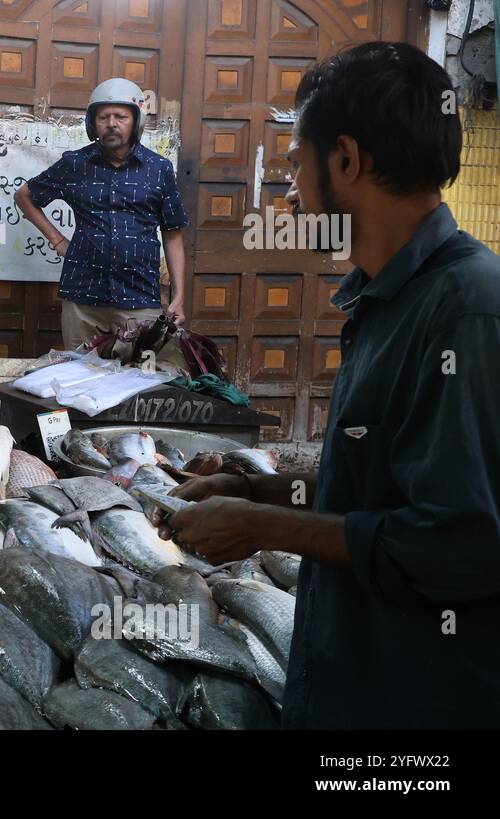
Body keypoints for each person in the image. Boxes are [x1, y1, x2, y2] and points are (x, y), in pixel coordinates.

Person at [157, 42, 500, 728]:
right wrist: (255, 488)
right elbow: (380, 486)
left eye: (293, 163)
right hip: (346, 673)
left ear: (347, 160)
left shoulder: (467, 308)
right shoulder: (384, 298)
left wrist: (261, 526)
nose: (287, 190)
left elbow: (459, 542)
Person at [14, 77, 188, 350]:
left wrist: (178, 296)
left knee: (138, 383)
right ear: (92, 123)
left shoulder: (158, 169)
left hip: (139, 298)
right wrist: (59, 241)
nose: (111, 124)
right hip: (82, 299)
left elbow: (173, 233)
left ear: (136, 121)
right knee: (80, 380)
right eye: (103, 117)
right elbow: (25, 196)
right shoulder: (75, 165)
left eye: (120, 116)